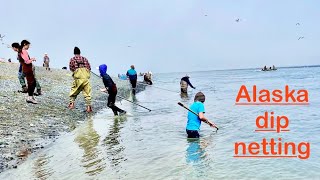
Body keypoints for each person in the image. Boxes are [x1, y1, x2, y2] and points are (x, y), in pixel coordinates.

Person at [68, 47, 92, 112]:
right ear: (79, 52)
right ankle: (88, 108)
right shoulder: (85, 59)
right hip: (86, 79)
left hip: (78, 79)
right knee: (87, 93)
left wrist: (77, 72)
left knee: (74, 91)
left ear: (74, 53)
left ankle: (72, 104)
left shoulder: (72, 59)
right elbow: (89, 68)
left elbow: (71, 68)